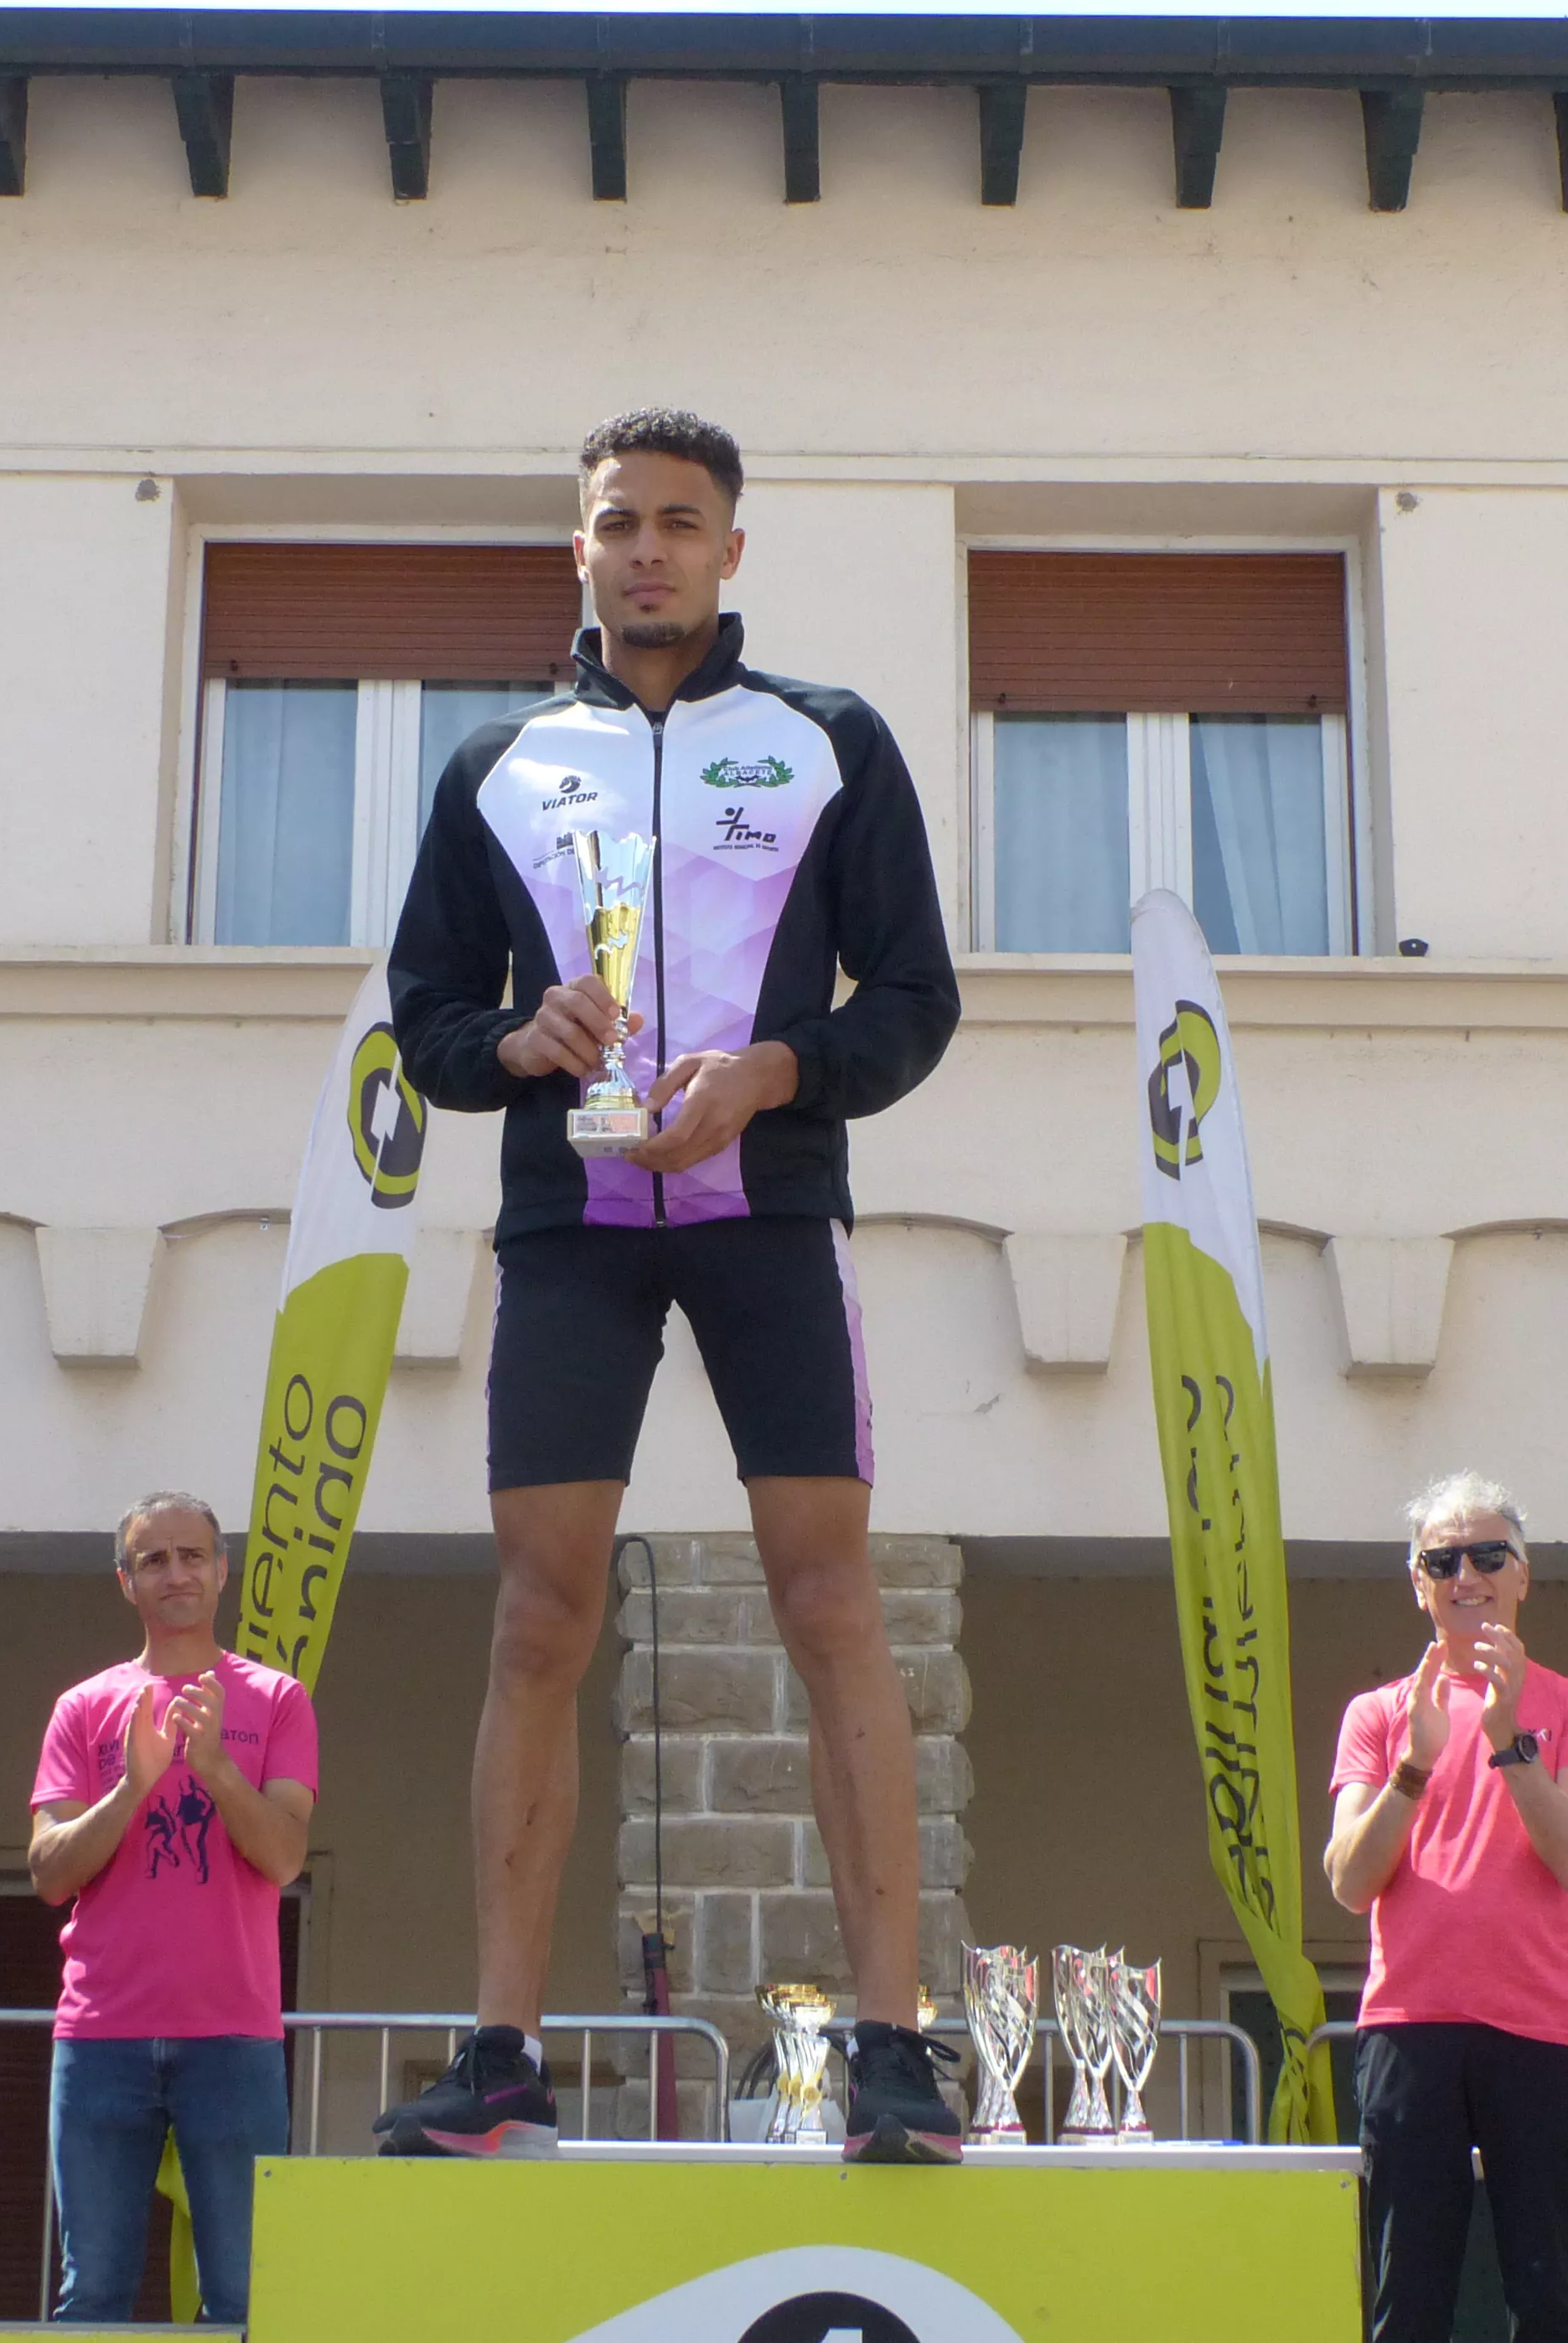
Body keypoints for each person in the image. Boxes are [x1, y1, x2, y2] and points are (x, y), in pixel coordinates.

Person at [380, 406, 964, 2165]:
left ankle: (888, 2048)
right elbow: (426, 1023)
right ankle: (499, 2052)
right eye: (618, 520)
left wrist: (772, 1075)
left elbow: (914, 1002)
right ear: (577, 548)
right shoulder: (495, 761)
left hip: (767, 1211)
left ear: (729, 552)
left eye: (681, 521)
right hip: (574, 1228)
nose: (648, 547)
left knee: (827, 1600)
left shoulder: (824, 743)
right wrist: (517, 1034)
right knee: (537, 1618)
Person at [1324, 1472, 1568, 2343]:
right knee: (1407, 2299)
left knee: (1549, 2298)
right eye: (1442, 1559)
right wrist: (1414, 1765)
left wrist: (1504, 1738)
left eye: (1490, 1554)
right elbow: (1347, 1880)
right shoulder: (1379, 1714)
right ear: (1418, 1584)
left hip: (1542, 2028)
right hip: (1410, 2024)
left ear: (1523, 1575)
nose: (1467, 1575)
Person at [30, 1496, 316, 2327]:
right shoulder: (83, 1708)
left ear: (222, 1570)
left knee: (241, 2297)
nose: (176, 1572)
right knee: (92, 2295)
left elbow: (287, 1856)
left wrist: (218, 1771)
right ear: (126, 1583)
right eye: (153, 1560)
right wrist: (132, 1785)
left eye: (191, 1555)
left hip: (232, 2033)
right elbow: (48, 1873)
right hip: (100, 2035)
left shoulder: (277, 1699)